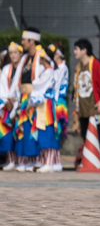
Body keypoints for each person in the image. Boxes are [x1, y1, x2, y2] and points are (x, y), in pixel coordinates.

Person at [15, 28, 58, 172]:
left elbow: (46, 78)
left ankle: (40, 160)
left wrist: (34, 92)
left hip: (38, 98)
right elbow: (18, 79)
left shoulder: (42, 57)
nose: (22, 43)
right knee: (27, 129)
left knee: (40, 129)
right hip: (26, 98)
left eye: (24, 40)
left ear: (32, 40)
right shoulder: (25, 58)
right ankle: (30, 160)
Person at [71, 39, 100, 167]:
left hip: (95, 110)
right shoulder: (78, 67)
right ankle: (89, 161)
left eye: (76, 49)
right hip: (83, 110)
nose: (74, 52)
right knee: (86, 137)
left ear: (84, 50)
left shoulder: (97, 64)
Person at [0, 42, 27, 170]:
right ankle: (11, 160)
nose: (13, 55)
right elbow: (3, 87)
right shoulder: (6, 69)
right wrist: (8, 101)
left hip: (21, 103)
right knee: (8, 133)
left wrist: (16, 101)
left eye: (15, 52)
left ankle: (21, 160)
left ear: (21, 54)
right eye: (11, 53)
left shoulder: (25, 67)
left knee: (21, 132)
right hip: (8, 104)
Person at [51, 45, 69, 171]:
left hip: (58, 101)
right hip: (55, 100)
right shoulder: (56, 68)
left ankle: (56, 161)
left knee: (56, 129)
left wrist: (55, 101)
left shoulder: (63, 68)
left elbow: (57, 86)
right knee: (53, 130)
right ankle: (53, 160)